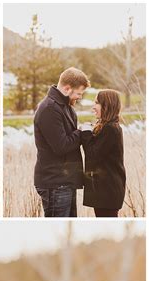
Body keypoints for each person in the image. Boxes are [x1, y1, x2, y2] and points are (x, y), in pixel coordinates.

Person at [34, 67, 90, 217]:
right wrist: (82, 131)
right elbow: (61, 146)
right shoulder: (49, 109)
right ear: (67, 88)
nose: (79, 97)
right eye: (78, 93)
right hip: (54, 182)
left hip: (65, 180)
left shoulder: (66, 107)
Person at [80, 89, 126, 217]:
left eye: (97, 103)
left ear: (107, 105)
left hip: (108, 192)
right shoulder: (106, 126)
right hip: (105, 191)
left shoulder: (111, 129)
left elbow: (92, 155)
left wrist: (86, 132)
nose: (93, 107)